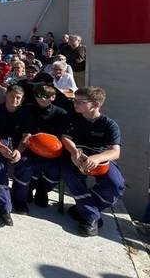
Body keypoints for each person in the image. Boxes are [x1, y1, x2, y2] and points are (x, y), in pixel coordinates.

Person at [60, 87, 125, 237]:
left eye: (80, 101)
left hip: (99, 159)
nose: (75, 103)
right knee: (70, 174)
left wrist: (96, 159)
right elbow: (65, 138)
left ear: (95, 104)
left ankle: (83, 209)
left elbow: (115, 152)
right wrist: (74, 152)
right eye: (74, 100)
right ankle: (91, 218)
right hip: (75, 156)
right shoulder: (72, 117)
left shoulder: (109, 125)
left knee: (116, 184)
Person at [0, 85, 34, 227]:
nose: (14, 100)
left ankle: (19, 199)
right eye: (12, 96)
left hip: (18, 143)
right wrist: (0, 147)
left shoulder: (25, 113)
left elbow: (27, 135)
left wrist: (19, 151)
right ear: (6, 95)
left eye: (18, 98)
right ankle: (4, 208)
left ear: (22, 99)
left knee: (25, 165)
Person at [25, 84, 67, 207]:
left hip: (53, 151)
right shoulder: (28, 110)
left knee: (54, 170)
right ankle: (29, 188)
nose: (43, 98)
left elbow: (64, 135)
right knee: (31, 166)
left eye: (47, 96)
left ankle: (42, 191)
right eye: (39, 95)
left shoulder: (61, 113)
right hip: (32, 147)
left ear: (53, 97)